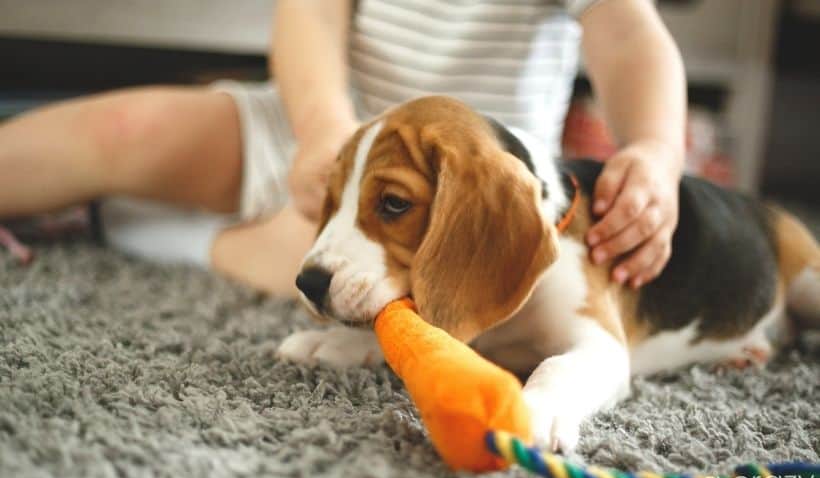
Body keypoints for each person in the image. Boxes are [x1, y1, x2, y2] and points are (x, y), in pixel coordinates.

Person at [0, 0, 685, 295]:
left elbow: (631, 41)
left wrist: (655, 150)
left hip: (453, 193)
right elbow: (311, 13)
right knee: (125, 130)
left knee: (374, 290)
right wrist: (322, 125)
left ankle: (146, 226)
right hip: (314, 130)